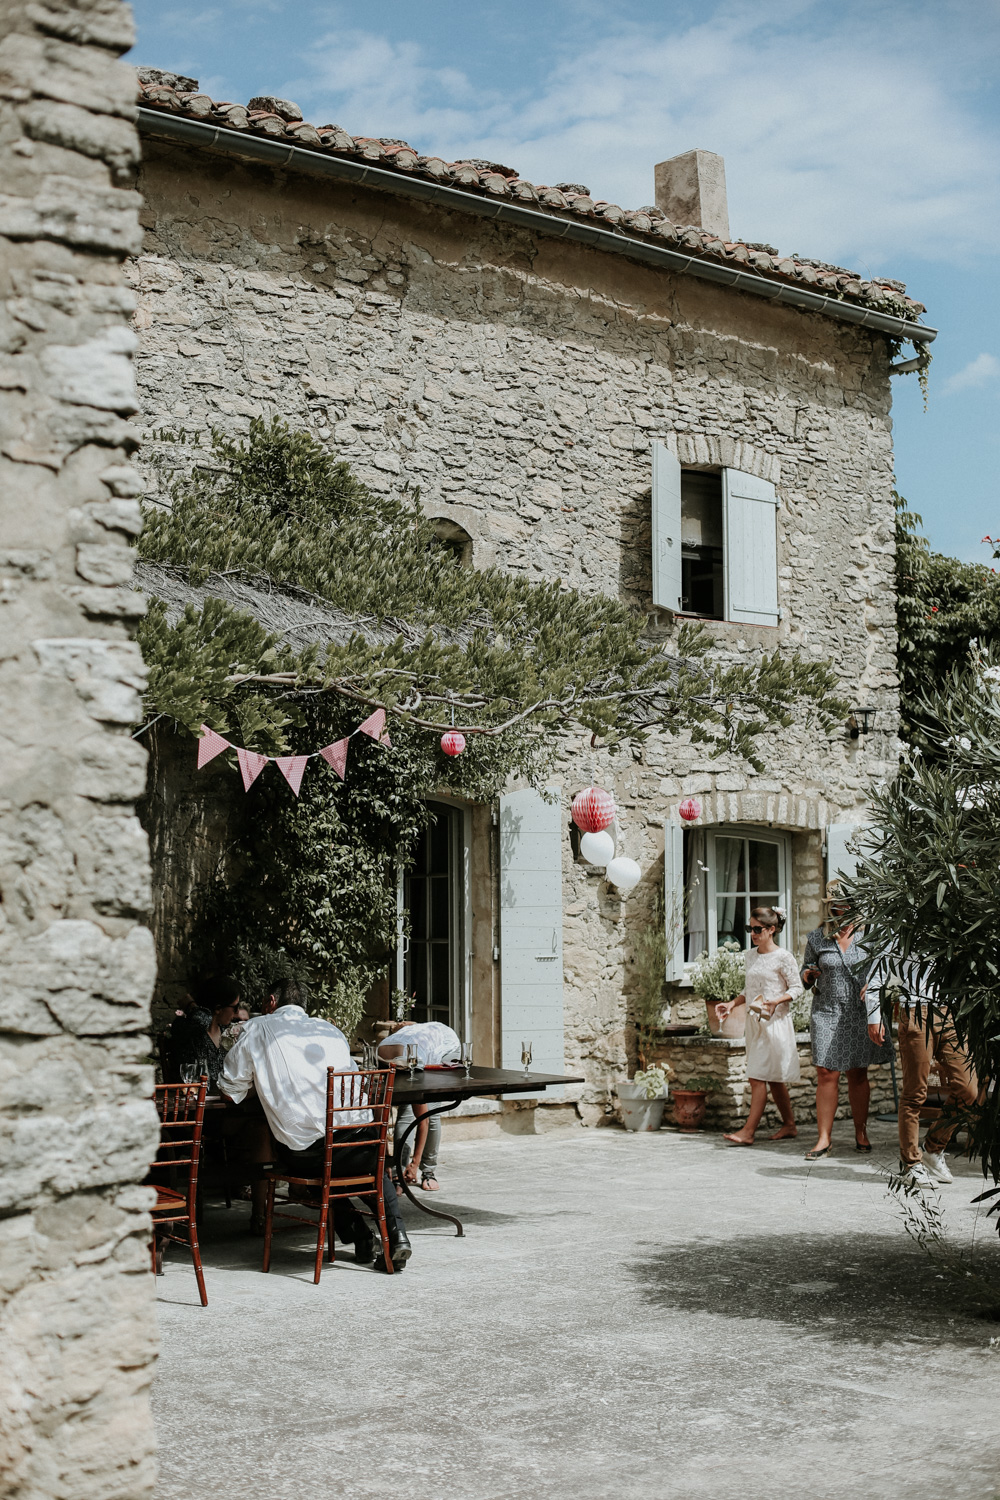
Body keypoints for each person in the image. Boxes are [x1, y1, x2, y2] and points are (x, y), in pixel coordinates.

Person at [219, 977, 412, 1270]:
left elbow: (230, 1092)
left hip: (310, 1155)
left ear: (271, 1002)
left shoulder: (256, 1029)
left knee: (310, 1165)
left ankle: (361, 1236)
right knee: (365, 1170)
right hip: (362, 1142)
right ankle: (396, 1237)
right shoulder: (329, 1029)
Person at [865, 957, 978, 1188]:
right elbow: (877, 973)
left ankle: (933, 1148)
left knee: (968, 1089)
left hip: (950, 1011)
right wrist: (873, 1017)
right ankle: (911, 1164)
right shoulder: (900, 933)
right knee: (914, 1093)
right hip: (915, 1010)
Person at [800, 881, 890, 1160]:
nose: (840, 908)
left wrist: (876, 988)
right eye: (835, 904)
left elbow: (884, 968)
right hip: (826, 1010)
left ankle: (861, 1132)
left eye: (845, 903)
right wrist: (808, 975)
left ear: (854, 903)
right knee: (826, 1072)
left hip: (859, 1012)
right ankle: (823, 1139)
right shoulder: (818, 937)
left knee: (857, 1072)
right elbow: (804, 972)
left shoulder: (870, 935)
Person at [715, 906, 802, 1146]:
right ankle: (790, 1125)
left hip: (774, 1024)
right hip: (754, 1023)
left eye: (757, 929)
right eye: (749, 929)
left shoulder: (784, 957)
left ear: (771, 929)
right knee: (773, 1078)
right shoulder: (750, 955)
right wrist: (732, 1004)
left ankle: (748, 1131)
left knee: (756, 1077)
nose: (752, 934)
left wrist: (777, 1001)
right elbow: (749, 989)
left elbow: (797, 988)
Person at [378, 1019, 461, 1191]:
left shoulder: (413, 1060)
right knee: (405, 1113)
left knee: (430, 1110)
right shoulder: (380, 1060)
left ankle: (428, 1171)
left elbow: (423, 1120)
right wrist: (385, 1161)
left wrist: (414, 1163)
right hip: (413, 1049)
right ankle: (399, 1174)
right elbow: (379, 1124)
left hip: (445, 1045)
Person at [172, 975, 241, 1089]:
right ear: (218, 1008)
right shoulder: (191, 1029)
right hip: (195, 1097)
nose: (237, 1012)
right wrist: (192, 1007)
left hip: (224, 1096)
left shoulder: (226, 1032)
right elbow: (202, 1019)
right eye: (235, 1007)